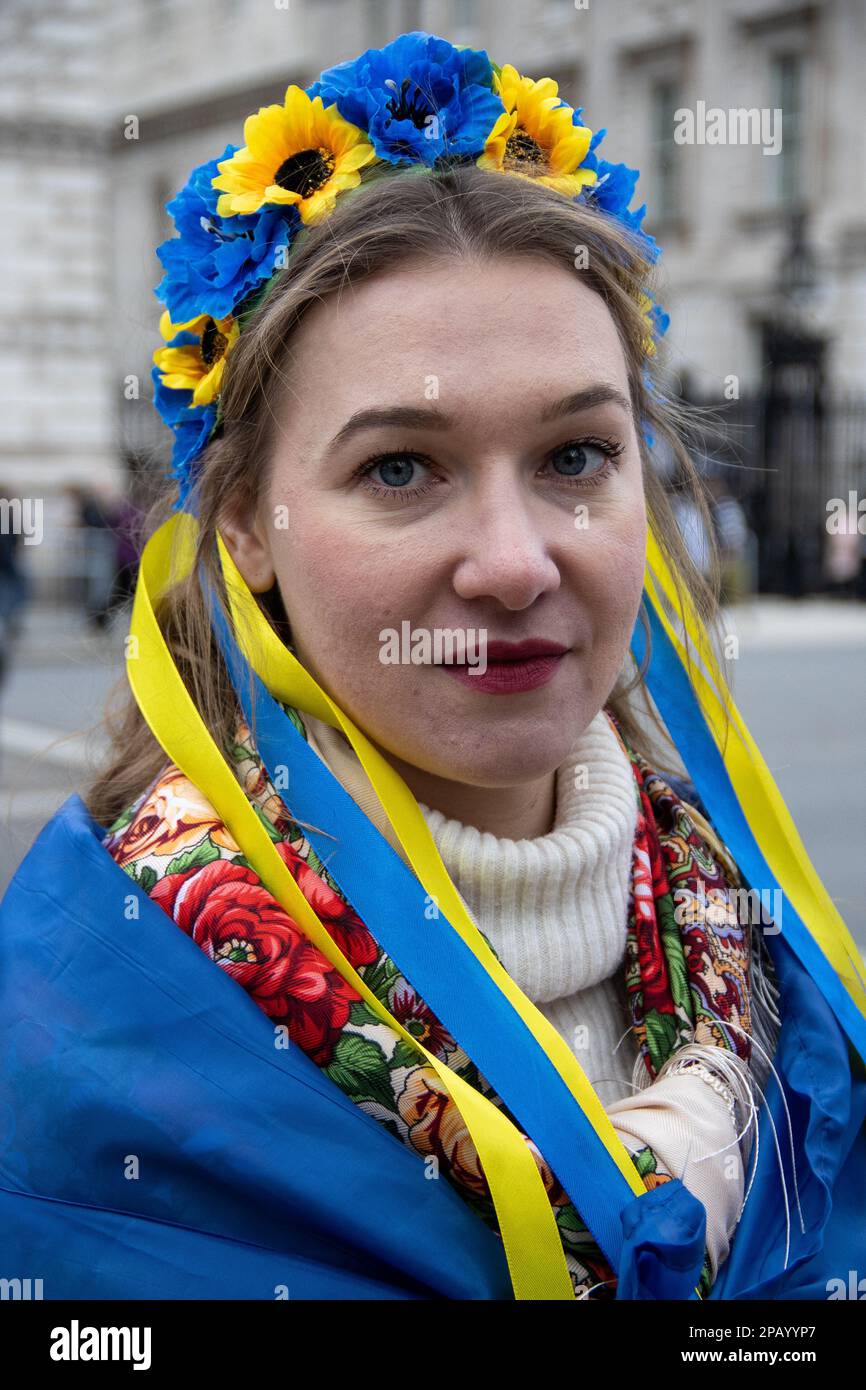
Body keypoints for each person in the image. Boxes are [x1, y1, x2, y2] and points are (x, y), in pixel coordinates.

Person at [1, 33, 863, 1303]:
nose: (513, 565)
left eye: (574, 456)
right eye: (399, 469)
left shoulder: (748, 939)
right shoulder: (89, 1015)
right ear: (243, 519)